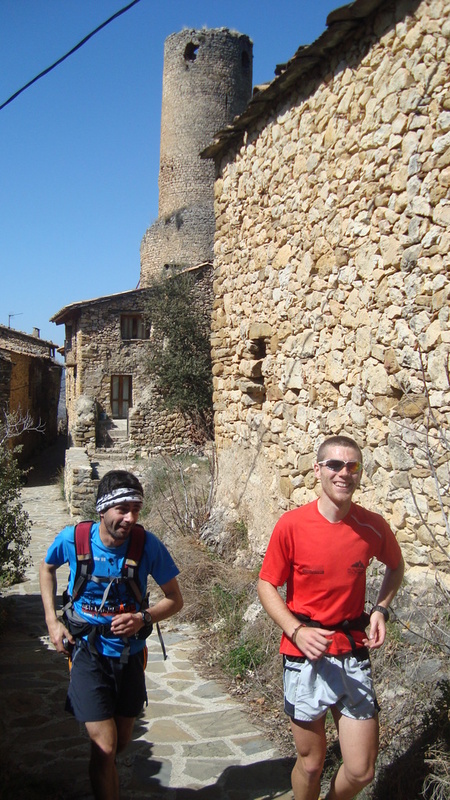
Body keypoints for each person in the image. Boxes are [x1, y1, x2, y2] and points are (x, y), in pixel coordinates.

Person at [258, 435, 404, 800]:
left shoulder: (371, 526)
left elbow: (396, 566)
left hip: (352, 651)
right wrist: (296, 631)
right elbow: (266, 584)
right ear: (317, 470)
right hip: (304, 654)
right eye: (335, 465)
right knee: (311, 763)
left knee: (361, 770)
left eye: (353, 466)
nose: (344, 473)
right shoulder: (292, 525)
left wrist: (380, 609)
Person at [40, 469, 183, 800]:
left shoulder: (147, 546)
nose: (130, 518)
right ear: (102, 509)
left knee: (118, 744)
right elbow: (47, 568)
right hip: (86, 652)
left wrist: (142, 618)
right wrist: (52, 621)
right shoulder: (74, 539)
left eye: (136, 509)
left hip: (129, 654)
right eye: (123, 509)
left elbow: (175, 599)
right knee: (104, 746)